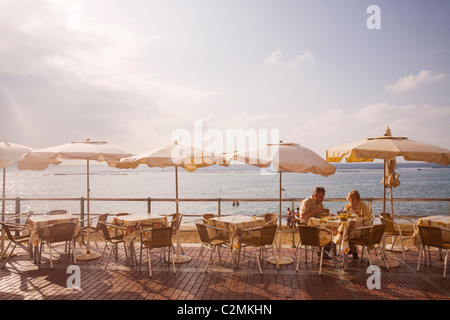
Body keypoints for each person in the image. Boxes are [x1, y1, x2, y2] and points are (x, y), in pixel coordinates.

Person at [300, 187, 331, 259]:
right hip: (307, 228)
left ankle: (322, 252)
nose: (323, 199)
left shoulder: (319, 202)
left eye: (323, 197)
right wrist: (314, 211)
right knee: (328, 233)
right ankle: (321, 252)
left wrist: (325, 211)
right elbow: (303, 216)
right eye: (321, 197)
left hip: (318, 227)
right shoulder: (307, 202)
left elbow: (321, 213)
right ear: (315, 195)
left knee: (331, 232)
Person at [344, 190, 373, 260]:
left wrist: (359, 215)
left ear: (358, 198)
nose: (351, 200)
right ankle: (352, 250)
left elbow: (367, 219)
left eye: (353, 199)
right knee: (346, 232)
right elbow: (345, 215)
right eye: (349, 198)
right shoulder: (348, 206)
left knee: (348, 234)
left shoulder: (363, 206)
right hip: (352, 227)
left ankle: (352, 251)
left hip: (362, 228)